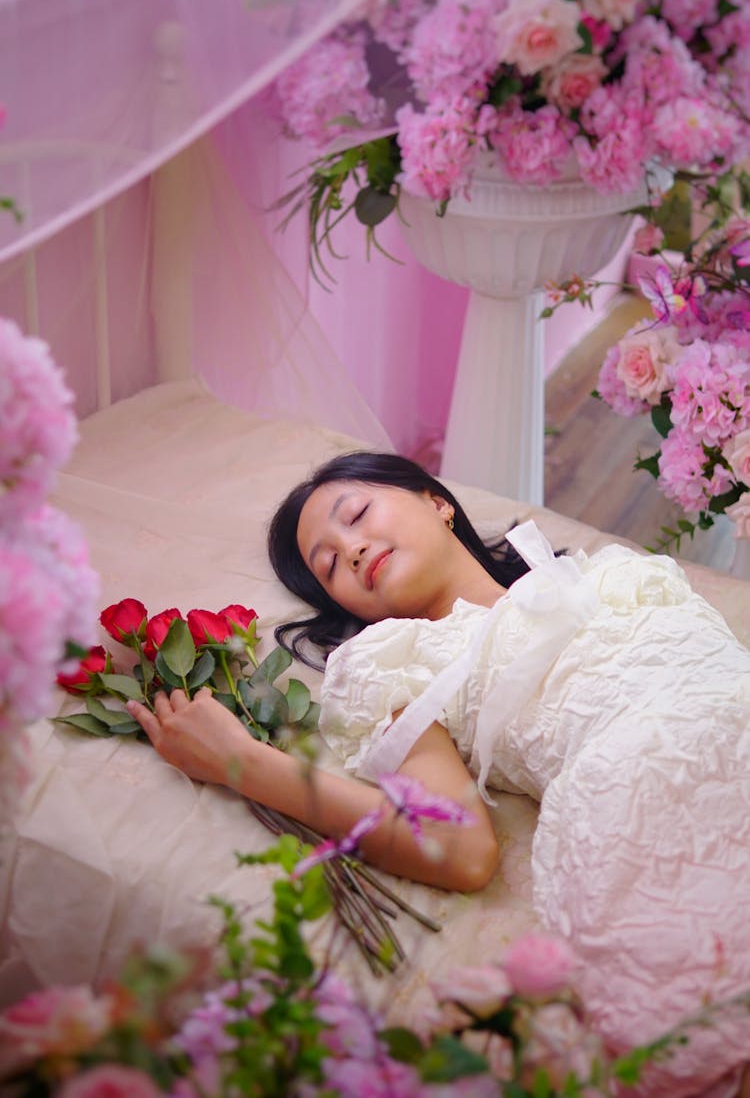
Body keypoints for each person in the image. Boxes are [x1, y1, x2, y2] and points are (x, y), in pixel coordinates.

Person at [127, 451, 750, 1097]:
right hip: (652, 783)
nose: (353, 548)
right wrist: (246, 762)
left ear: (436, 500)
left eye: (358, 514)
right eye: (330, 564)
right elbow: (461, 848)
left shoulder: (593, 572)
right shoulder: (399, 662)